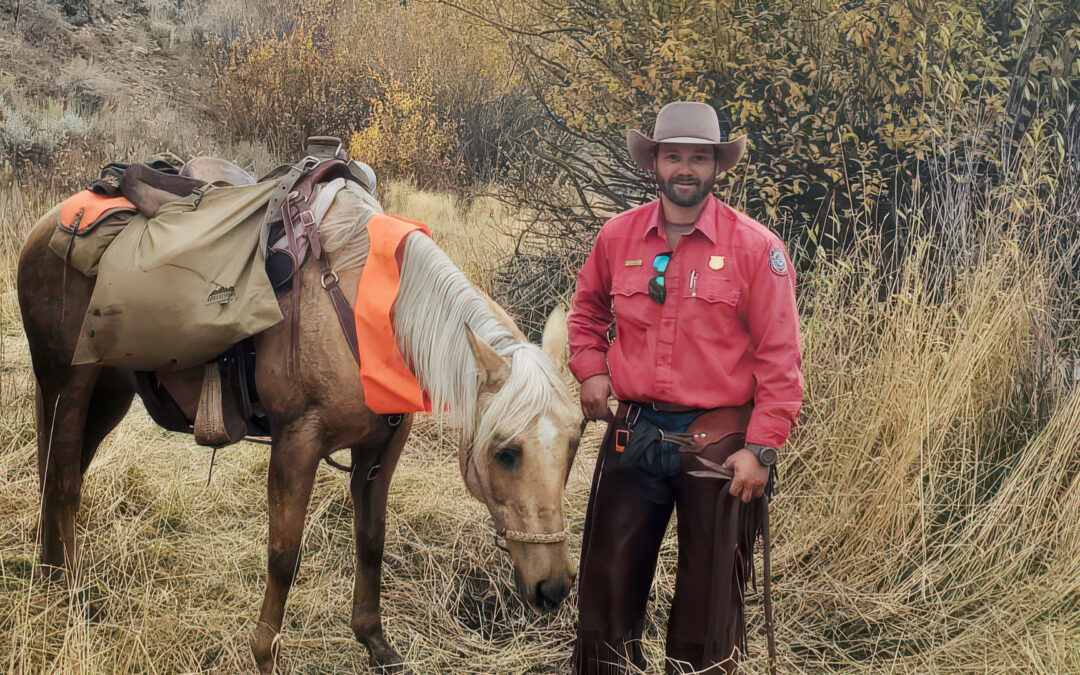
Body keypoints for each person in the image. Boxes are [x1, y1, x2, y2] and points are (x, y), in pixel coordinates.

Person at [568, 101, 804, 673]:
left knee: (711, 593)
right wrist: (591, 367)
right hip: (635, 432)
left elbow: (781, 360)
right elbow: (587, 310)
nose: (686, 169)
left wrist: (762, 448)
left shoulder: (757, 249)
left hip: (721, 446)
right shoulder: (617, 236)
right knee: (608, 579)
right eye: (674, 156)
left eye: (699, 158)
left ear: (716, 167)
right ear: (655, 162)